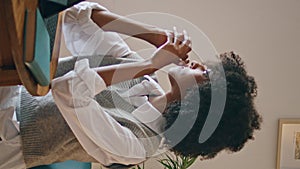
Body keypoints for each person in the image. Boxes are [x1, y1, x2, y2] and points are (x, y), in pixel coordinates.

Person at [0, 2, 262, 169]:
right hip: (12, 85)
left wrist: (149, 64)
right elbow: (78, 18)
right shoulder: (144, 79)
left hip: (8, 134)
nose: (197, 64)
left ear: (201, 104)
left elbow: (67, 91)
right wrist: (151, 35)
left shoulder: (137, 147)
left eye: (205, 74)